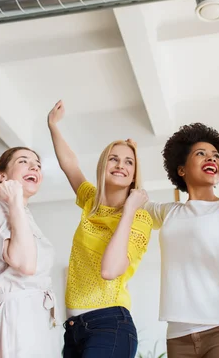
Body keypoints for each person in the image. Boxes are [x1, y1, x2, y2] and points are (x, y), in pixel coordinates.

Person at [143, 123, 219, 358]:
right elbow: (134, 200)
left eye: (216, 156)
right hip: (178, 333)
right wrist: (133, 157)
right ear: (181, 169)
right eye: (201, 153)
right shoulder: (169, 213)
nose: (212, 158)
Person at [47, 100, 152, 358]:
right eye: (114, 159)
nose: (121, 165)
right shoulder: (90, 201)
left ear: (134, 173)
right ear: (103, 166)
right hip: (73, 329)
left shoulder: (139, 219)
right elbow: (70, 165)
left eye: (129, 162)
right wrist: (52, 125)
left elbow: (110, 270)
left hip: (110, 325)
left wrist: (128, 210)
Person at [0, 147, 57, 358]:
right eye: (23, 161)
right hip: (13, 315)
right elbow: (25, 264)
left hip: (35, 317)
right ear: (2, 176)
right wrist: (15, 200)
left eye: (38, 164)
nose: (34, 166)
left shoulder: (23, 215)